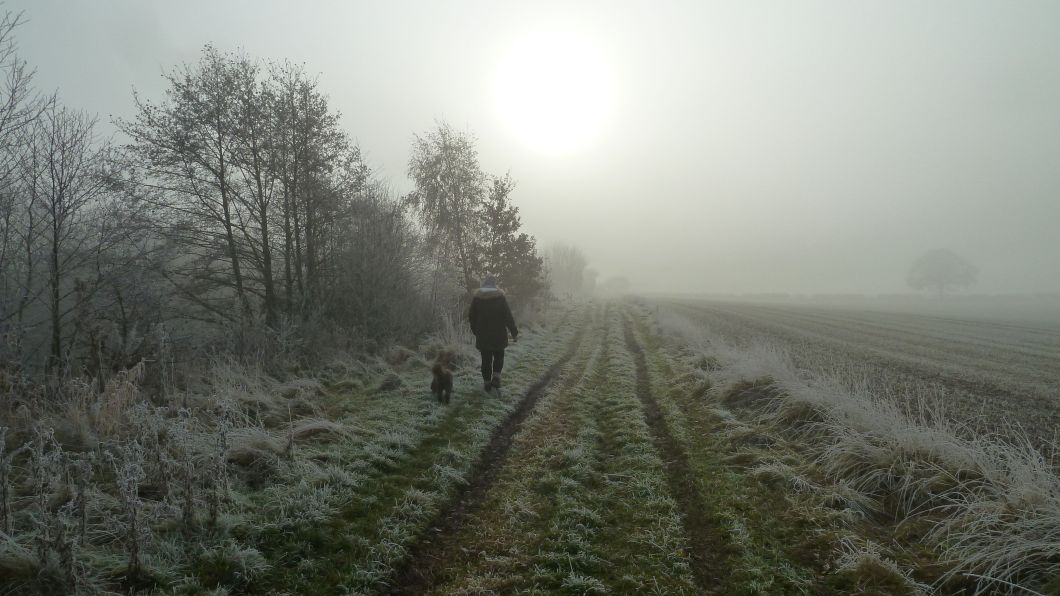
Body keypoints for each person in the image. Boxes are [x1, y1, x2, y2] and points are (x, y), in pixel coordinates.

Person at [468, 274, 518, 392]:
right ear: (495, 284)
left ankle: (487, 383)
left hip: (483, 334)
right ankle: (496, 377)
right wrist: (514, 332)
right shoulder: (500, 297)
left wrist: (476, 331)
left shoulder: (477, 298)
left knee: (486, 359)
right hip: (499, 333)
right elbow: (508, 316)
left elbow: (471, 316)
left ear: (484, 283)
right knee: (499, 355)